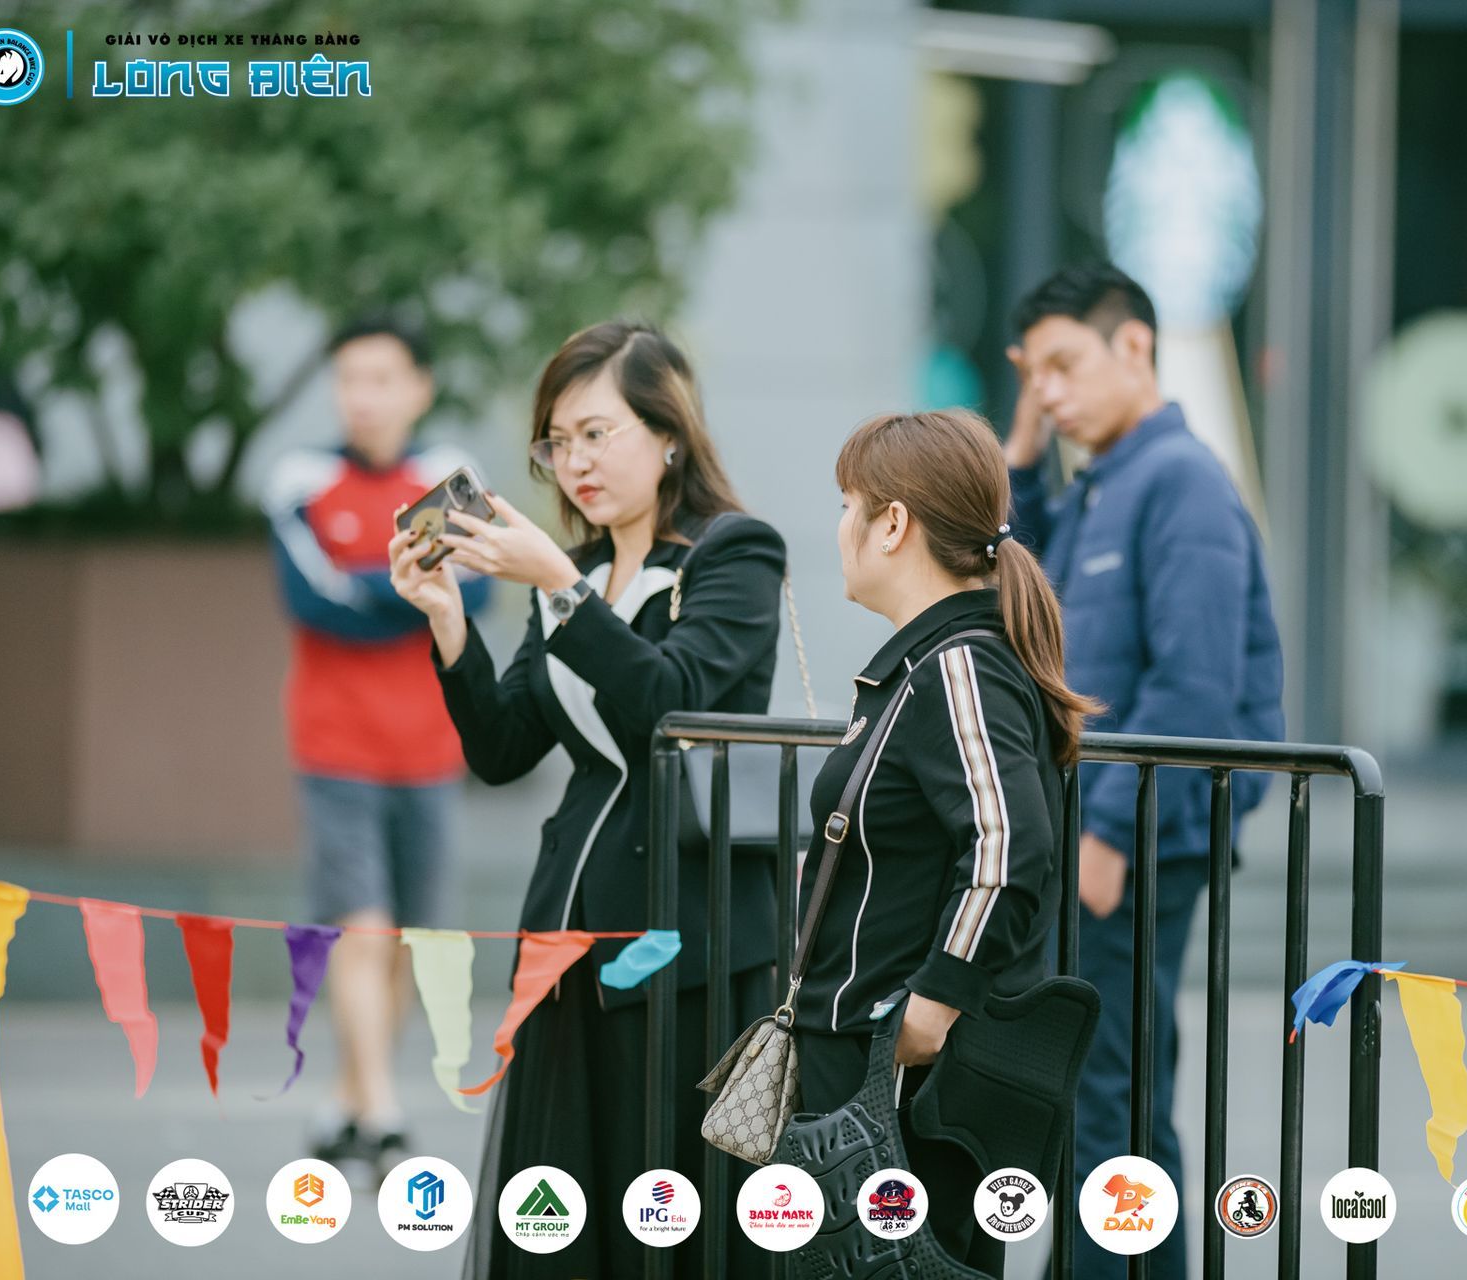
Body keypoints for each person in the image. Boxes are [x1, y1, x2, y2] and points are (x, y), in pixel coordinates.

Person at [388, 321, 782, 1279]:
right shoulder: (576, 569)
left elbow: (670, 706)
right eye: (557, 442)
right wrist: (448, 623)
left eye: (597, 434)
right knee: (564, 1214)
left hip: (688, 947)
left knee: (667, 1213)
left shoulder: (733, 555)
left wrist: (564, 588)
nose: (575, 463)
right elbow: (503, 750)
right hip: (566, 943)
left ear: (669, 434)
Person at [1004, 263, 1285, 1279]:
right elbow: (1014, 582)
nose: (1048, 392)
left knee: (1111, 1102)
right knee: (1094, 1097)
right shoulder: (1103, 482)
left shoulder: (1181, 482)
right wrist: (1022, 456)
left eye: (1064, 365)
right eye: (1032, 374)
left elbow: (1196, 684)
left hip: (1132, 842)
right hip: (1096, 833)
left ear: (1136, 346)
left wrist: (1109, 832)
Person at [794, 409, 1099, 1277]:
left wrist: (931, 1005)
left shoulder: (959, 663)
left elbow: (1008, 848)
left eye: (849, 506)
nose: (840, 529)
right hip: (873, 1055)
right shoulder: (931, 662)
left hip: (900, 1069)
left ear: (892, 523)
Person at [262, 315, 489, 1179]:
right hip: (336, 746)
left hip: (431, 745)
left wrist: (376, 587)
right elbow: (312, 600)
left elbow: (480, 596)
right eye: (350, 378)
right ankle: (386, 1116)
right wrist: (416, 587)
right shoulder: (300, 480)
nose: (364, 396)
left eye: (382, 378)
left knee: (405, 940)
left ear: (419, 387)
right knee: (361, 929)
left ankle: (351, 1100)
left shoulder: (447, 477)